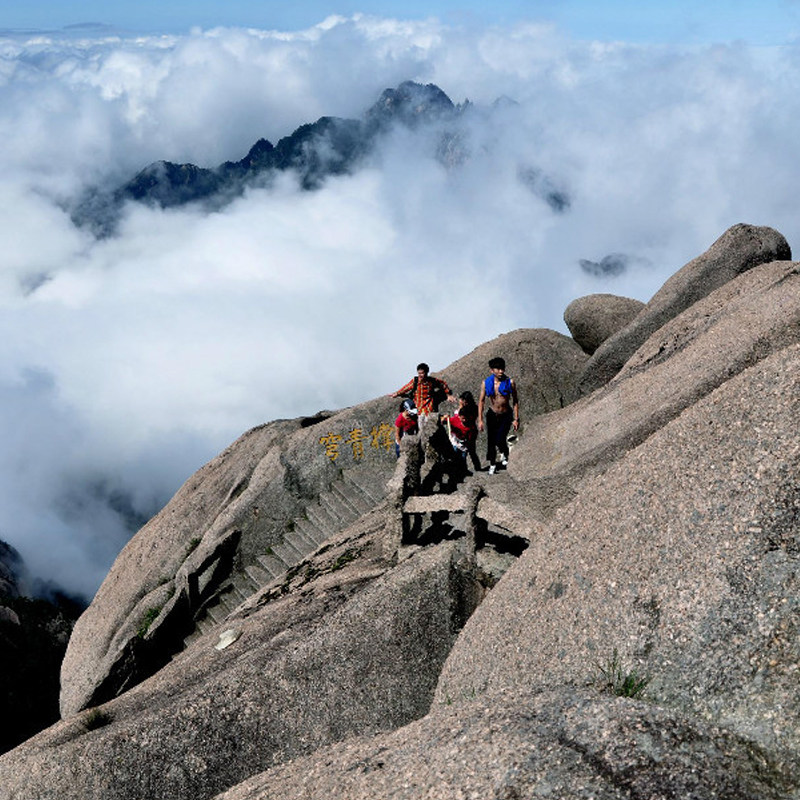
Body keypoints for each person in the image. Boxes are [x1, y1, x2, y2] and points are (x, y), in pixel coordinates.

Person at [477, 357, 519, 474]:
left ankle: (505, 453)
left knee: (500, 438)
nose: (501, 371)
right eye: (498, 369)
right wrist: (480, 420)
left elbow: (515, 400)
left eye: (503, 369)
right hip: (492, 414)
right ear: (492, 370)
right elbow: (481, 401)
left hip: (506, 414)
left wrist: (516, 419)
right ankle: (492, 464)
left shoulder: (510, 382)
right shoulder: (486, 383)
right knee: (491, 441)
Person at [391, 363, 456, 427]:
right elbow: (406, 388)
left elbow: (443, 384)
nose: (420, 375)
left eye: (422, 373)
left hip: (429, 405)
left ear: (426, 372)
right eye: (419, 373)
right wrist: (397, 393)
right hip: (418, 406)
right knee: (421, 424)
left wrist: (448, 395)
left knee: (431, 423)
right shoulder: (415, 381)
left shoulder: (431, 381)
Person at [445, 391, 481, 473]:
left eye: (462, 400)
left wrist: (461, 408)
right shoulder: (467, 408)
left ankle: (476, 467)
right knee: (460, 451)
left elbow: (465, 418)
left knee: (470, 450)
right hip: (459, 430)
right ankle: (464, 468)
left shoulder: (471, 409)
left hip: (468, 431)